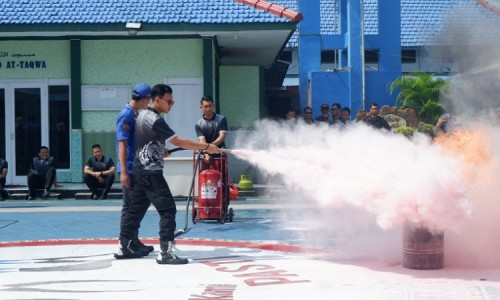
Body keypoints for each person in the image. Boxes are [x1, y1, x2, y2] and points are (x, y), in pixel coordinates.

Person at [117, 84, 219, 264]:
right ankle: (165, 252)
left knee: (136, 210)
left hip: (140, 170)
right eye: (169, 101)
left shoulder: (141, 115)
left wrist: (159, 148)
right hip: (151, 172)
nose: (171, 105)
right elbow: (180, 141)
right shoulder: (155, 120)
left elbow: (145, 139)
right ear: (157, 100)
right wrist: (207, 146)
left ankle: (124, 245)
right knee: (168, 210)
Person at [115, 83, 154, 254]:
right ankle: (124, 244)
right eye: (149, 100)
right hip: (129, 169)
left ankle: (134, 240)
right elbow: (122, 144)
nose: (149, 104)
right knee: (130, 207)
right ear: (145, 99)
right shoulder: (126, 115)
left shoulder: (135, 114)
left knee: (136, 206)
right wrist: (123, 171)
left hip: (137, 167)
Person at [195, 96, 228, 163]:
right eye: (206, 106)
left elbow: (222, 137)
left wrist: (210, 146)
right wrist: (206, 154)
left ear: (214, 106)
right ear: (201, 107)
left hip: (220, 153)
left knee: (220, 173)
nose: (208, 108)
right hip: (206, 154)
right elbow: (202, 141)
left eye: (210, 106)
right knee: (205, 173)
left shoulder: (221, 119)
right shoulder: (199, 124)